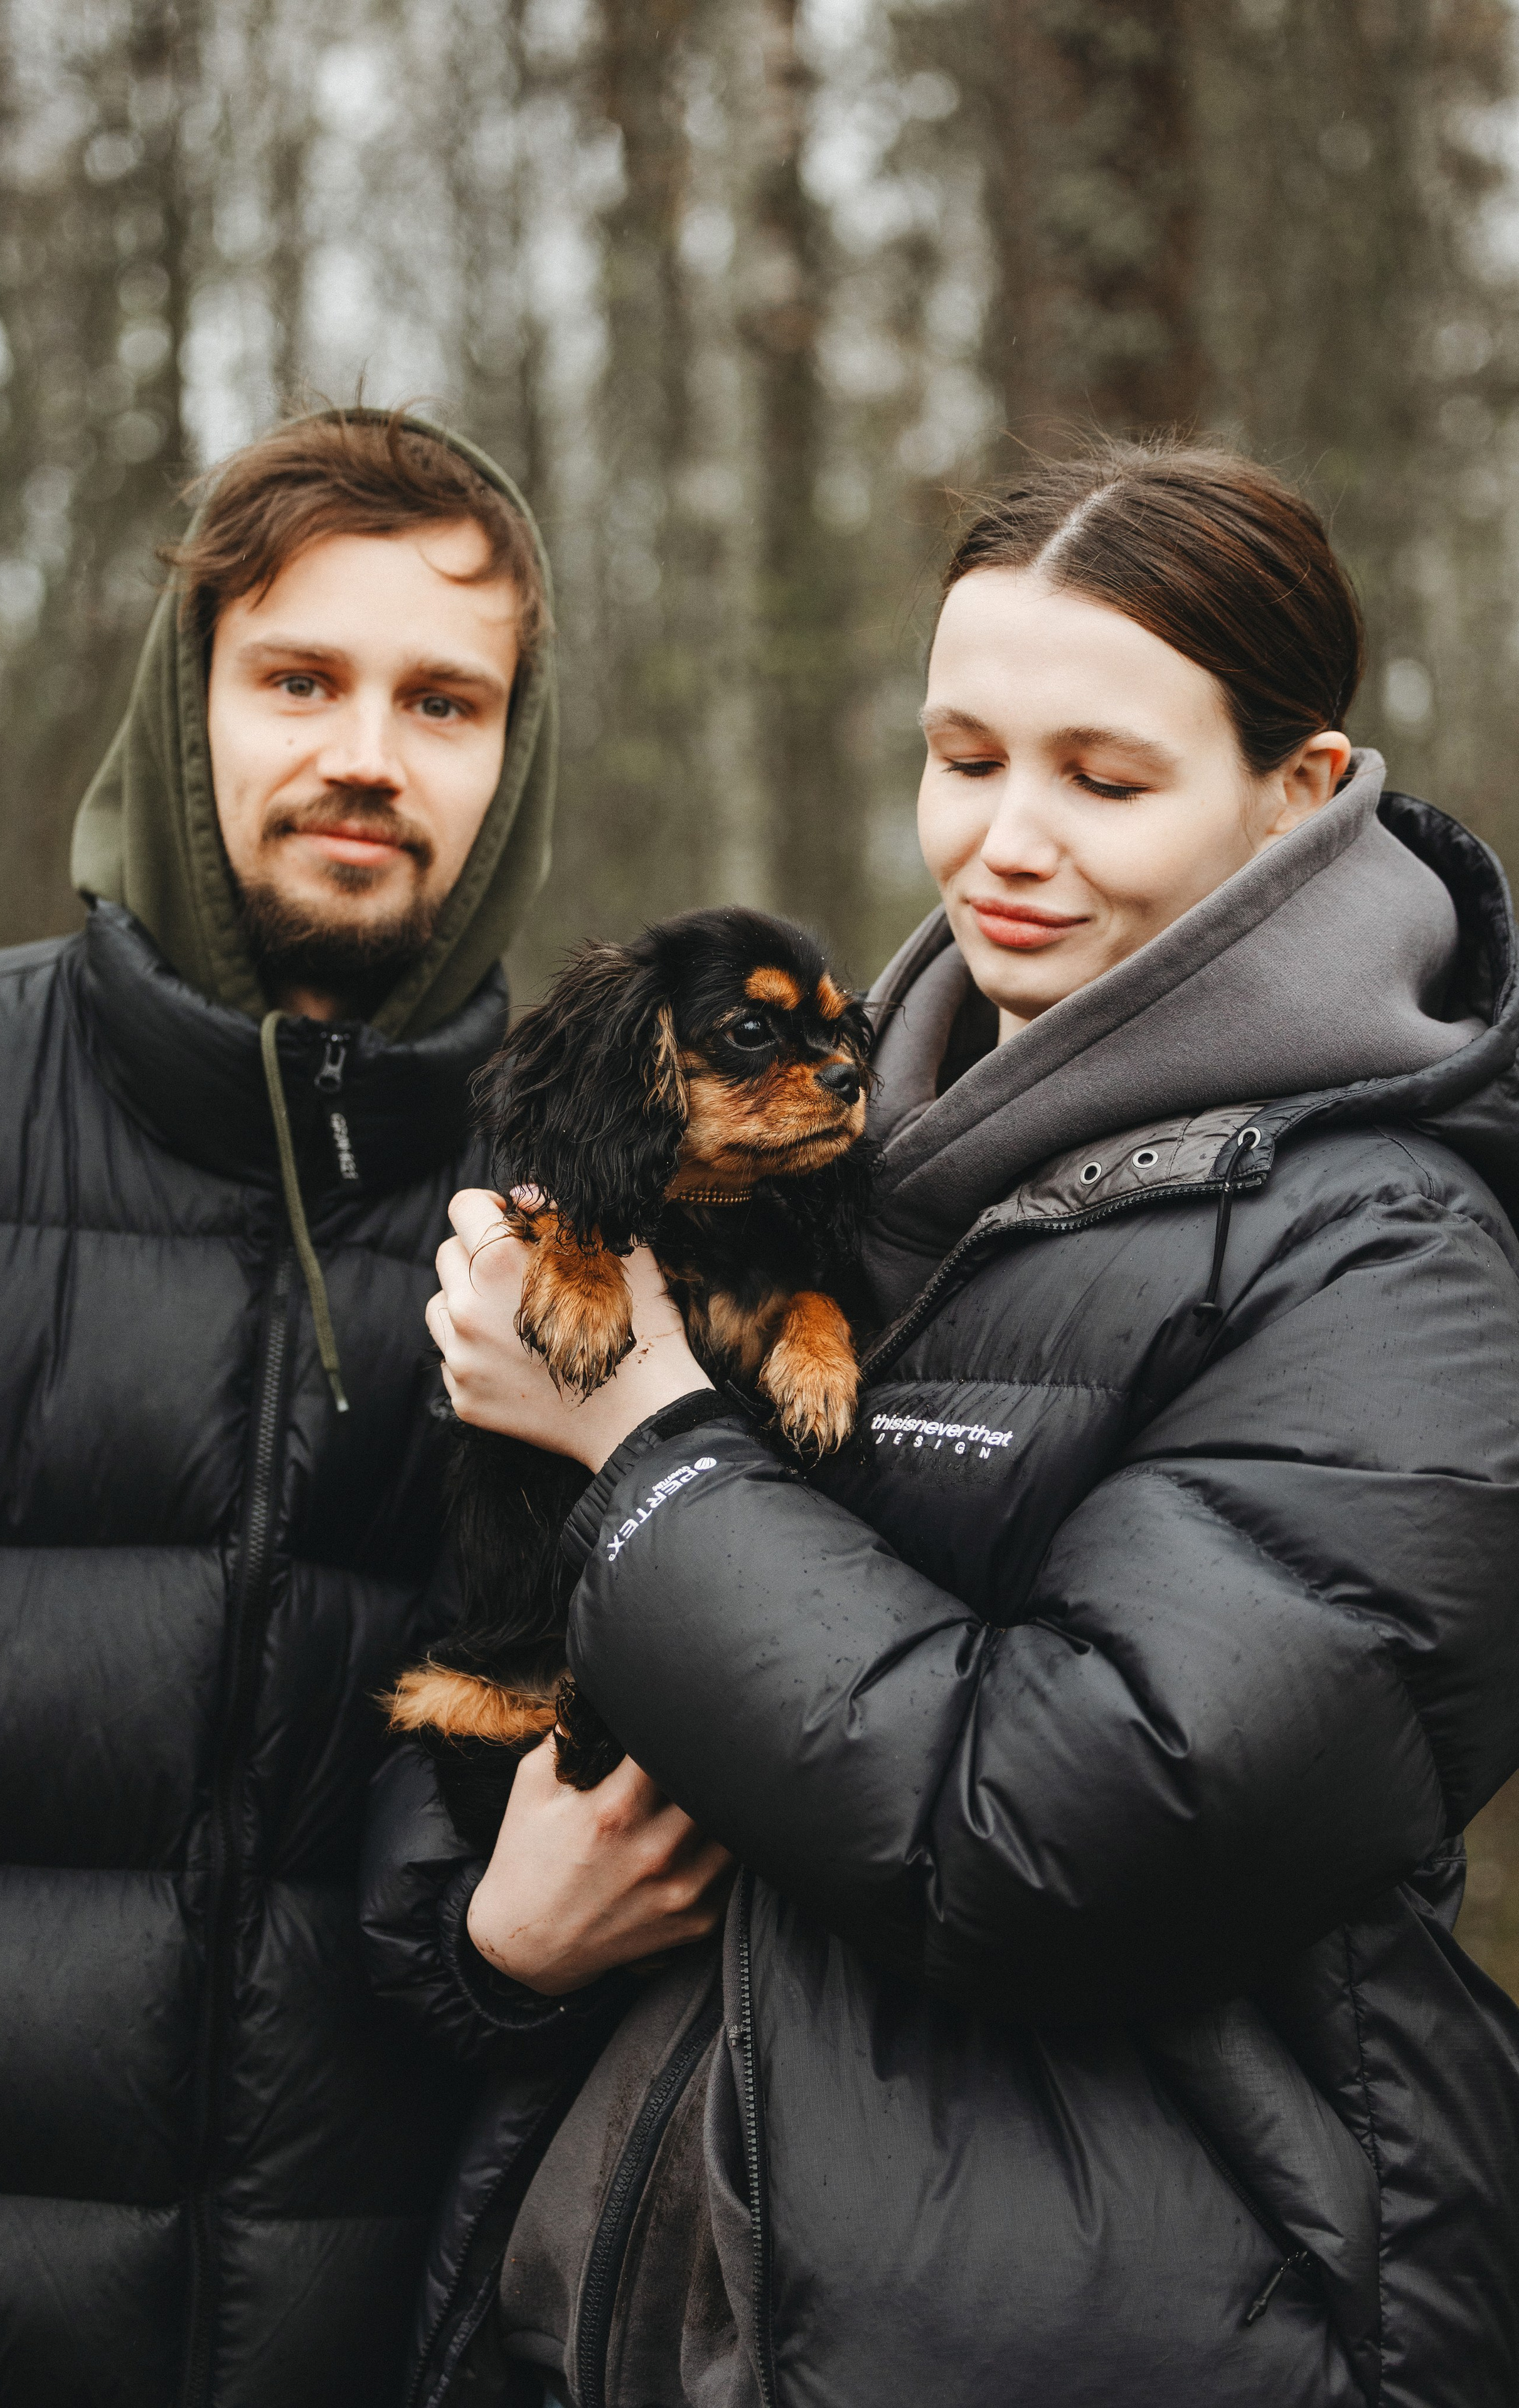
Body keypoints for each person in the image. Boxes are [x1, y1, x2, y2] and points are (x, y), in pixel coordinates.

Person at [369, 441, 1519, 2408]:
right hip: (666, 2300)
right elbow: (496, 1633)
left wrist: (647, 1443)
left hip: (1148, 2327)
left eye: (1106, 776)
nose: (1004, 841)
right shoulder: (847, 1175)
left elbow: (1063, 1829)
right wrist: (490, 1934)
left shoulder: (1393, 1260)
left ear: (1301, 796)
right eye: (962, 753)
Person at [0, 405, 558, 2406]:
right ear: (185, 702)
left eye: (443, 701)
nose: (366, 754)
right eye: (300, 679)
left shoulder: (579, 1218)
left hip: (382, 2336)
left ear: (513, 757)